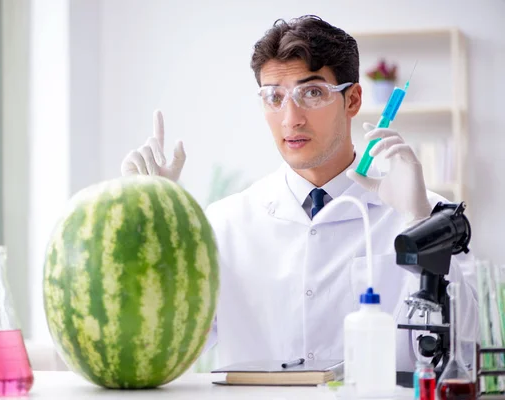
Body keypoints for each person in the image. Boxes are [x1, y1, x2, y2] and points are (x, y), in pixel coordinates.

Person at [120, 15, 478, 372]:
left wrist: (419, 225)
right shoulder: (224, 223)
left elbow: (467, 349)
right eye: (274, 97)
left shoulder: (428, 215)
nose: (291, 118)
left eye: (311, 92)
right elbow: (161, 348)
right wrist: (153, 221)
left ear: (352, 100)